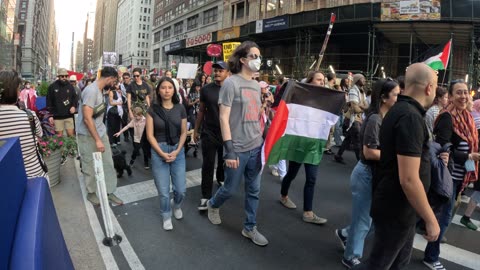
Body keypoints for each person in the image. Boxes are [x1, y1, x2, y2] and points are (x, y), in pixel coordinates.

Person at [357, 63, 440, 270]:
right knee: (379, 264)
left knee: (395, 263)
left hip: (399, 206)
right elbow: (409, 178)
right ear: (429, 88)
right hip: (397, 208)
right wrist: (430, 219)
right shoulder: (410, 117)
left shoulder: (399, 110)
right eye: (436, 87)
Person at [206, 41, 268, 246]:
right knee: (230, 190)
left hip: (256, 146)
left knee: (254, 190)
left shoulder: (257, 85)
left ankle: (250, 227)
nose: (258, 60)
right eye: (254, 56)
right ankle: (213, 204)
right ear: (242, 60)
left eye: (259, 56)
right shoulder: (231, 83)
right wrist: (229, 150)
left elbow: (254, 115)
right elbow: (224, 118)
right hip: (238, 149)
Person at [335, 78, 400, 268]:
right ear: (384, 97)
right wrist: (396, 156)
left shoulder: (386, 117)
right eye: (396, 94)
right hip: (366, 173)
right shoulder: (375, 119)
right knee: (364, 219)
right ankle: (351, 256)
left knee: (372, 219)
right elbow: (369, 152)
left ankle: (346, 234)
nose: (399, 97)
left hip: (375, 174)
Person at [279, 71, 329, 226]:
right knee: (292, 173)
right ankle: (283, 195)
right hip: (299, 142)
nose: (322, 82)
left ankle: (308, 212)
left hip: (314, 143)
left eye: (323, 80)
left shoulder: (325, 98)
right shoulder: (301, 97)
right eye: (319, 80)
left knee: (311, 178)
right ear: (310, 81)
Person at [77, 66, 123, 206]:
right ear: (109, 78)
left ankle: (110, 191)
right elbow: (87, 118)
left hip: (100, 132)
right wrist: (97, 140)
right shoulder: (91, 91)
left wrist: (101, 137)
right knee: (89, 165)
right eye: (114, 81)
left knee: (108, 163)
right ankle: (91, 193)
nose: (114, 84)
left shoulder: (101, 90)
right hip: (87, 135)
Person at [146, 76, 187, 231]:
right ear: (158, 90)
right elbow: (150, 135)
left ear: (174, 90)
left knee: (180, 190)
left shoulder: (180, 108)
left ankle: (176, 205)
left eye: (169, 87)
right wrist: (162, 154)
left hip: (178, 151)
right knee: (164, 192)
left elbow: (184, 133)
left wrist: (177, 151)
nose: (166, 90)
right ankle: (166, 215)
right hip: (159, 151)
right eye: (163, 87)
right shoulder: (152, 110)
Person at [194, 61, 229, 210]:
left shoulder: (233, 89)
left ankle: (221, 179)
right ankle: (205, 196)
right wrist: (196, 130)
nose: (217, 73)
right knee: (207, 164)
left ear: (228, 73)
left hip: (227, 133)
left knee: (223, 160)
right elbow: (201, 110)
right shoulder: (206, 89)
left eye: (221, 70)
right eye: (215, 70)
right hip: (209, 132)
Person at [0, 70, 48, 179]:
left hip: (5, 180)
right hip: (34, 175)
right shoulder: (30, 116)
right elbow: (39, 134)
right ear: (17, 92)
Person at [335, 74, 368, 163]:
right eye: (363, 78)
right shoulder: (353, 91)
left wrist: (361, 106)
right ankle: (360, 162)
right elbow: (356, 109)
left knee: (348, 139)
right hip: (353, 120)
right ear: (358, 80)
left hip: (356, 119)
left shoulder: (362, 92)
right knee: (357, 140)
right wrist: (363, 107)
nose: (365, 80)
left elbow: (366, 106)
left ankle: (338, 155)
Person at [47, 68, 77, 137]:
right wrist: (50, 115)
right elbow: (49, 101)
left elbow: (74, 98)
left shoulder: (70, 86)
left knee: (71, 135)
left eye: (66, 76)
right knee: (59, 137)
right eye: (62, 76)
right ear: (59, 76)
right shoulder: (52, 87)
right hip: (57, 116)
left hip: (69, 115)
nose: (64, 78)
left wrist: (73, 106)